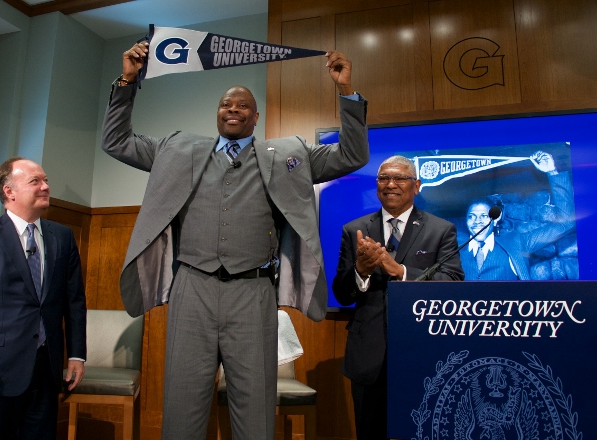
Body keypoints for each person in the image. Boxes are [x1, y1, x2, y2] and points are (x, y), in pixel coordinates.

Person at [102, 40, 369, 440]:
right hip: (192, 287)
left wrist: (346, 91)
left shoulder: (288, 155)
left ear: (256, 117)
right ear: (217, 114)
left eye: (242, 105)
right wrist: (127, 80)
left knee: (255, 403)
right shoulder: (177, 150)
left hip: (254, 290)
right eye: (227, 104)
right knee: (182, 400)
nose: (233, 109)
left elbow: (352, 155)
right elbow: (116, 142)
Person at [0, 158, 87, 440]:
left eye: (45, 180)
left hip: (46, 372)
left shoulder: (62, 236)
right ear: (9, 191)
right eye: (35, 181)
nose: (46, 186)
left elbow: (74, 301)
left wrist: (76, 353)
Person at [332, 155, 464, 439]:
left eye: (399, 178)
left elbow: (453, 282)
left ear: (416, 185)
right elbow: (342, 294)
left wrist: (401, 271)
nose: (390, 184)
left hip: (423, 351)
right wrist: (361, 271)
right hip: (369, 354)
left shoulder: (441, 230)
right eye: (383, 178)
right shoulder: (354, 230)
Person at [460, 150, 575, 280]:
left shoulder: (517, 242)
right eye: (472, 216)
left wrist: (552, 172)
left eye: (484, 216)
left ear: (496, 219)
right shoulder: (453, 248)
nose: (477, 221)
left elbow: (566, 222)